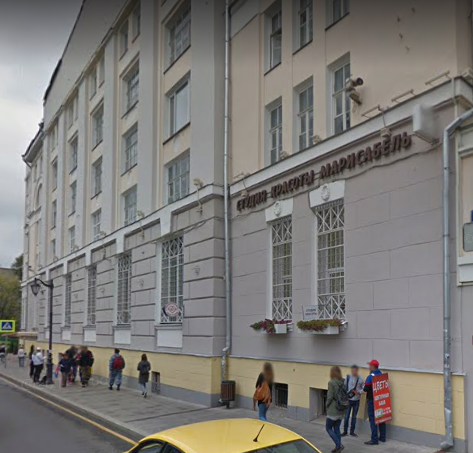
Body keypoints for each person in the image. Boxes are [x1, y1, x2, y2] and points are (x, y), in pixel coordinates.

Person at [364, 360, 387, 446]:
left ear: (373, 367)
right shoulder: (382, 375)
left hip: (372, 401)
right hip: (381, 400)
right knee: (381, 418)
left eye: (370, 365)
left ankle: (374, 439)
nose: (369, 367)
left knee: (373, 420)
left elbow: (365, 389)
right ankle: (382, 437)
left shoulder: (370, 377)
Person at [326, 366, 347, 453]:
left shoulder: (331, 382)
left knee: (328, 428)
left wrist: (326, 405)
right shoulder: (343, 381)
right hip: (342, 408)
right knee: (337, 428)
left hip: (333, 409)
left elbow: (330, 397)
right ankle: (338, 448)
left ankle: (339, 445)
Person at [342, 365, 365, 437]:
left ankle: (352, 432)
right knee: (346, 417)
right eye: (352, 370)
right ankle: (345, 431)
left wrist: (359, 392)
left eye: (355, 370)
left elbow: (364, 389)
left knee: (354, 417)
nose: (353, 372)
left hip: (356, 400)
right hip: (348, 400)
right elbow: (344, 387)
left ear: (357, 370)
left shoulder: (361, 379)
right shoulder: (348, 377)